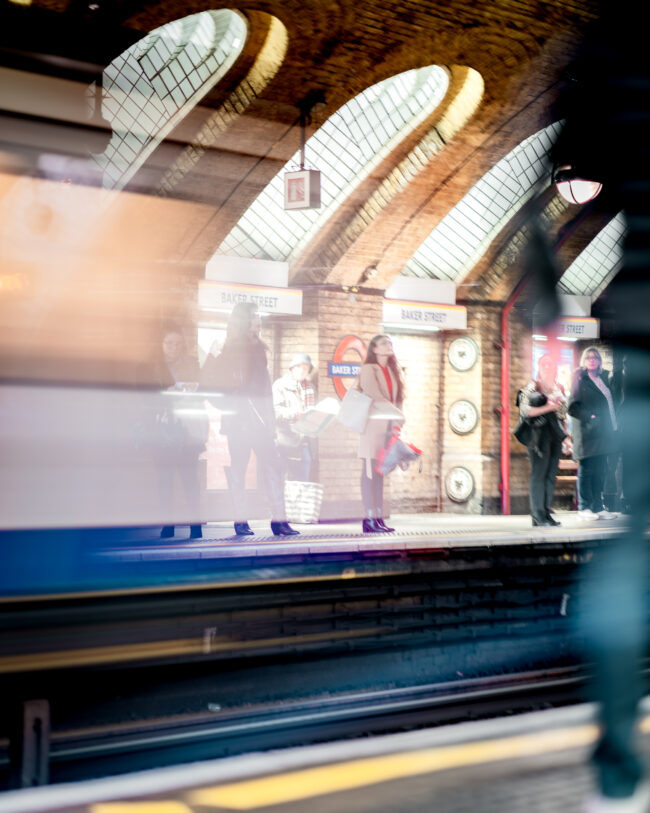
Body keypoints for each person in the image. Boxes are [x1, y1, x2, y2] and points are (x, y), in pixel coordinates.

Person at [201, 302, 299, 537]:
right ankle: (241, 520)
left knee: (272, 466)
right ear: (243, 320)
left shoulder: (258, 347)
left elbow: (265, 390)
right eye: (254, 315)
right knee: (239, 467)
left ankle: (279, 520)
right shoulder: (230, 349)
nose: (258, 319)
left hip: (260, 420)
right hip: (239, 421)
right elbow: (214, 384)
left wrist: (270, 421)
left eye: (259, 315)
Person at [144, 326, 205, 540]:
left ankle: (195, 526)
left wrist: (191, 392)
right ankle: (167, 525)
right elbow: (144, 397)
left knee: (190, 479)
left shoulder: (192, 365)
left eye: (178, 343)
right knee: (165, 480)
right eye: (169, 343)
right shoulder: (152, 368)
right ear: (161, 345)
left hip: (187, 428)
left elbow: (202, 392)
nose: (173, 347)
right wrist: (165, 394)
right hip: (162, 429)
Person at [357, 335, 404, 533]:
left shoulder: (392, 370)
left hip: (388, 427)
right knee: (369, 472)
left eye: (390, 343)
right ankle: (369, 518)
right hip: (372, 428)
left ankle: (378, 517)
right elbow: (374, 395)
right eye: (384, 343)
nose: (388, 346)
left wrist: (397, 423)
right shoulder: (369, 369)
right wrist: (397, 413)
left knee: (380, 473)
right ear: (374, 349)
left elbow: (398, 399)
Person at [517, 354, 569, 527]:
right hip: (538, 435)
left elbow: (562, 416)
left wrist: (566, 439)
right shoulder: (533, 386)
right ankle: (537, 515)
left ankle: (546, 513)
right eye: (544, 364)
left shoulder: (559, 387)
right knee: (539, 474)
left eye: (550, 364)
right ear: (539, 367)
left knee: (551, 475)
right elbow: (525, 410)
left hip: (555, 434)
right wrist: (548, 407)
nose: (547, 367)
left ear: (555, 367)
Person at [568, 347, 619, 522]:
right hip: (587, 433)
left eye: (595, 357)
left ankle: (598, 506)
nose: (592, 360)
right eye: (588, 357)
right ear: (583, 361)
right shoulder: (580, 379)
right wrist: (590, 417)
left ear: (599, 361)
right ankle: (584, 507)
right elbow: (572, 407)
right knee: (587, 469)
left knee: (600, 470)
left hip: (604, 432)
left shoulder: (603, 379)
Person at [272, 353, 316, 482]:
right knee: (281, 481)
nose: (302, 370)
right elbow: (275, 411)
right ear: (292, 368)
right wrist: (294, 414)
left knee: (302, 481)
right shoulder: (280, 385)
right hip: (285, 441)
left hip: (304, 441)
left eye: (305, 368)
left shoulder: (310, 388)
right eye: (298, 367)